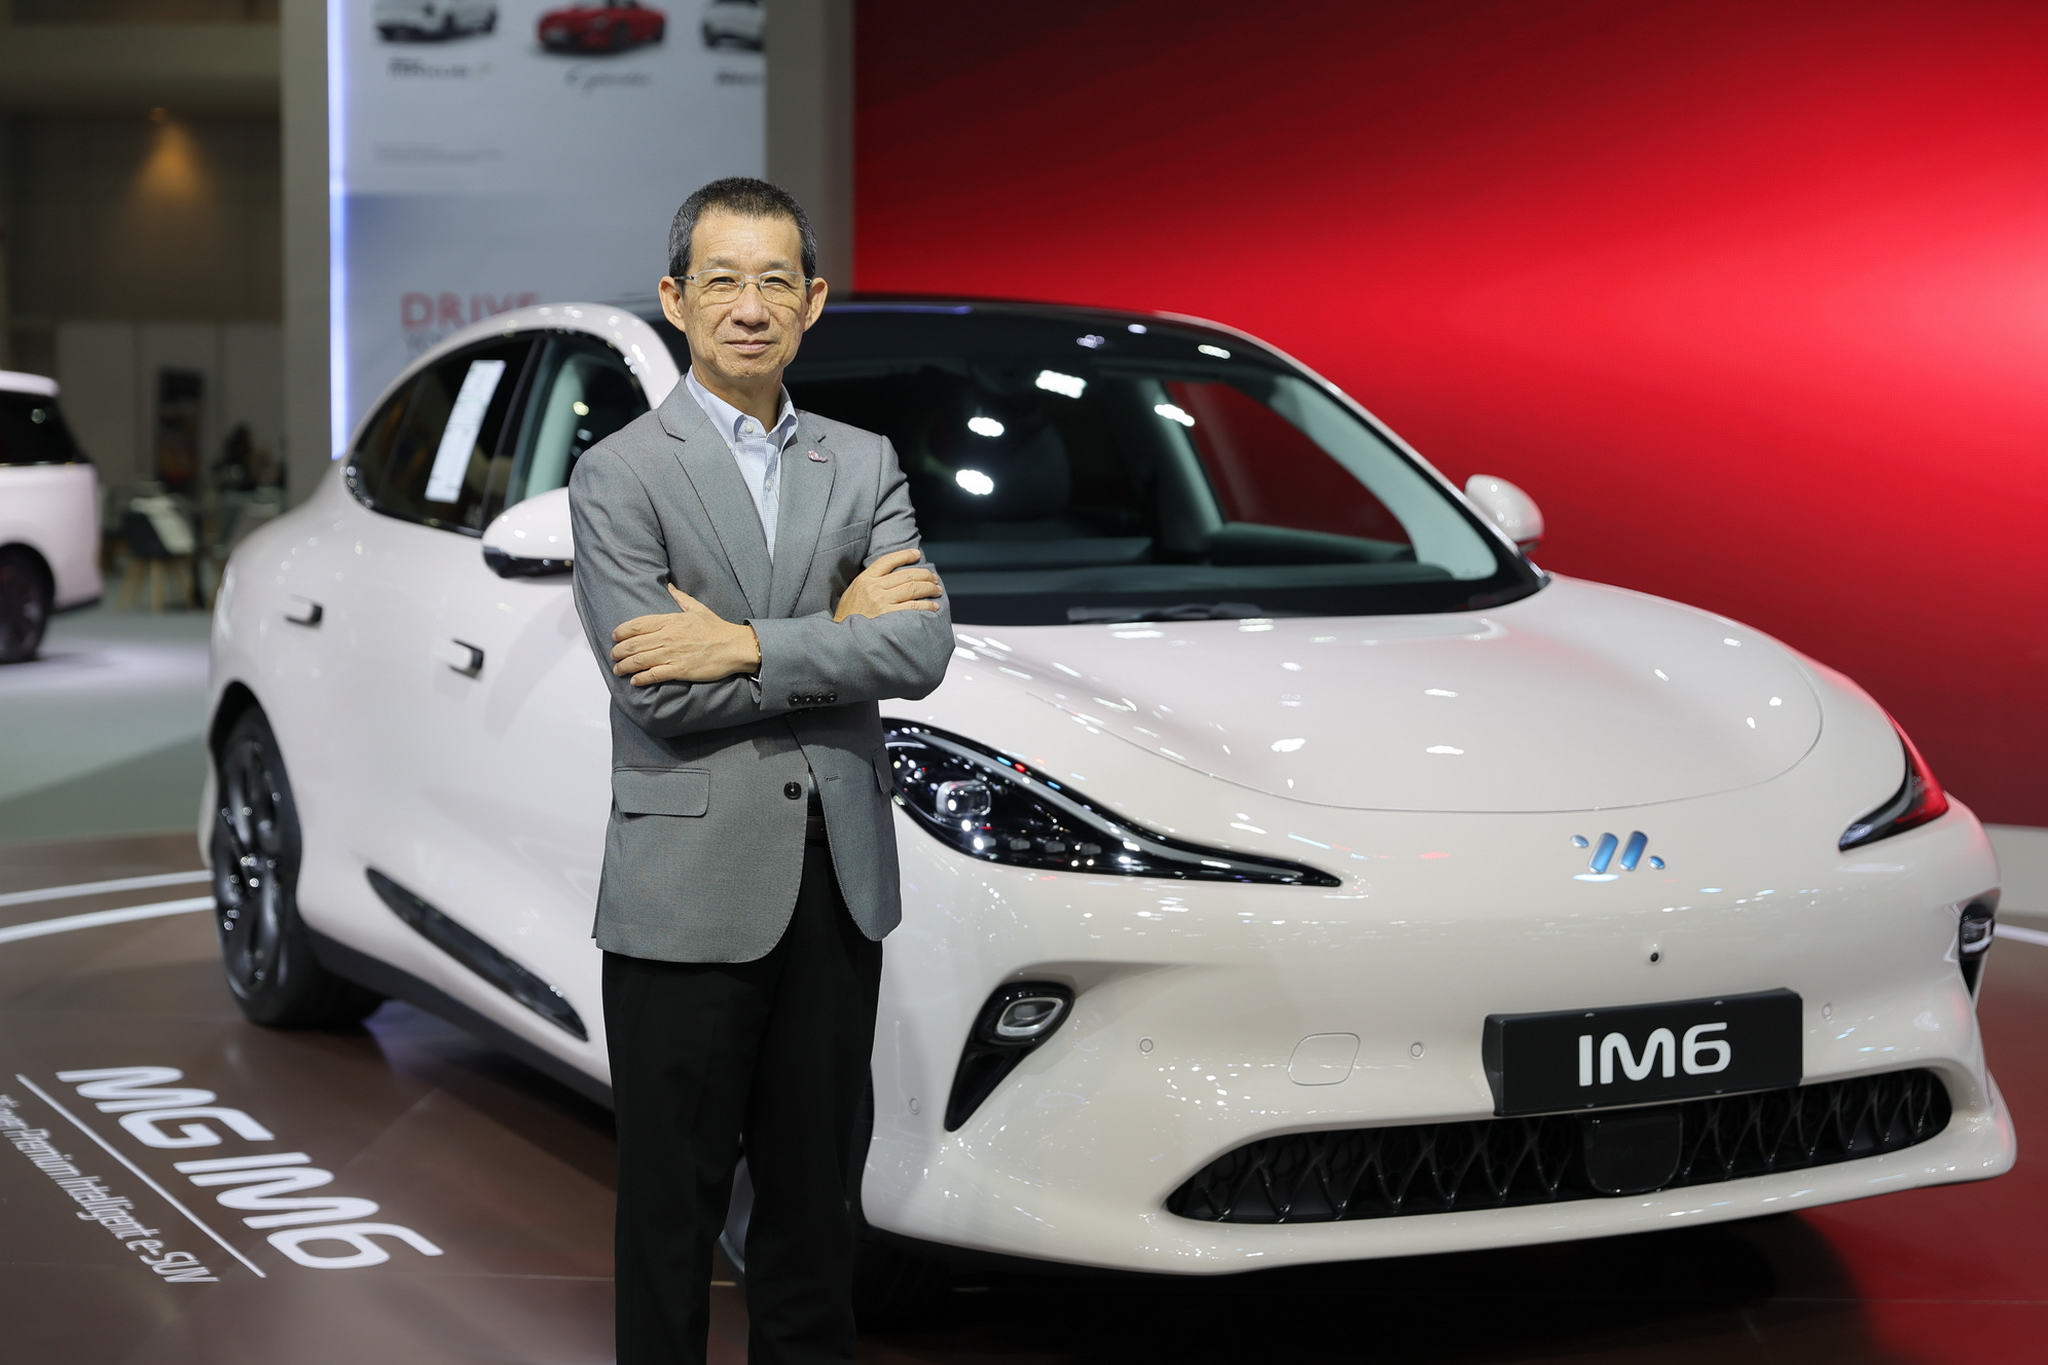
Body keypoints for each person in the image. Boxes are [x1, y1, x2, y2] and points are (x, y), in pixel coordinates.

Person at [565, 176, 953, 1363]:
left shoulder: (862, 461)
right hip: (685, 891)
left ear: (812, 301)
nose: (749, 306)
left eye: (774, 281)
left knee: (813, 1216)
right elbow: (656, 689)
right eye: (722, 281)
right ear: (677, 298)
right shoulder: (620, 473)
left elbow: (919, 649)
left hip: (835, 886)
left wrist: (738, 641)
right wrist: (835, 636)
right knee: (667, 1221)